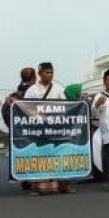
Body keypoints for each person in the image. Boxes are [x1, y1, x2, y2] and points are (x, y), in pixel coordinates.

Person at [23, 62, 70, 195]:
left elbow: (67, 107)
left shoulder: (59, 89)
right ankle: (36, 185)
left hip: (55, 130)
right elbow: (25, 107)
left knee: (57, 155)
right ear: (39, 74)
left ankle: (62, 184)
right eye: (46, 72)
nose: (49, 75)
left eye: (51, 72)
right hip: (39, 131)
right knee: (39, 156)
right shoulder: (32, 90)